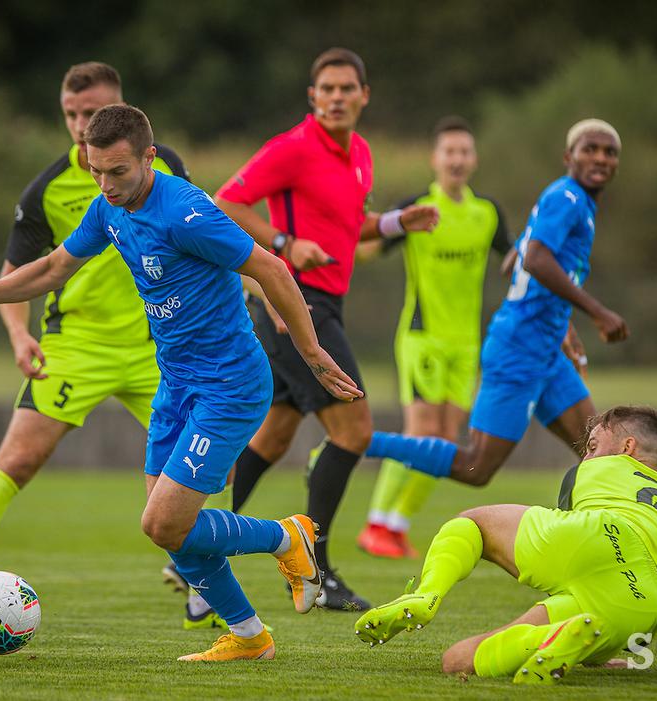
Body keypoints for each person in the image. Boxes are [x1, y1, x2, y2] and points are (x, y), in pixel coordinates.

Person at [0, 103, 363, 662]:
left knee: (164, 520)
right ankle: (252, 637)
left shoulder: (186, 212)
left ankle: (288, 537)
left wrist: (310, 351)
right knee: (168, 531)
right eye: (96, 172)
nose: (106, 185)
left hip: (230, 385)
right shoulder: (107, 211)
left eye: (118, 171)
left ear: (149, 157)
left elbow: (271, 268)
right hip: (177, 384)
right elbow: (52, 268)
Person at [0, 62, 210, 627]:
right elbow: (31, 270)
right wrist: (19, 334)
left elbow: (203, 241)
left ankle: (202, 590)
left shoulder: (161, 166)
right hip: (76, 345)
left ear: (123, 113)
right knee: (16, 459)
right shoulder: (48, 188)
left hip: (157, 348)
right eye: (70, 113)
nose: (79, 124)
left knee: (205, 462)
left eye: (91, 112)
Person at [215, 47, 439, 610]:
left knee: (274, 435)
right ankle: (315, 572)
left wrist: (394, 223)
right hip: (295, 302)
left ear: (365, 96)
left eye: (348, 89)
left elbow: (348, 226)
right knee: (353, 432)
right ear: (313, 98)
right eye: (327, 89)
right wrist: (286, 243)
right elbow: (225, 203)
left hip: (325, 302)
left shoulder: (360, 152)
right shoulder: (291, 148)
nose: (337, 97)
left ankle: (193, 537)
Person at [355, 406, 657, 683]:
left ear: (627, 447)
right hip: (641, 609)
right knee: (459, 662)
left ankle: (427, 593)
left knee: (471, 524)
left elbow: (572, 557)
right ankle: (559, 640)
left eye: (592, 445)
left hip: (601, 537)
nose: (587, 456)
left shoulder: (597, 472)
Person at [363, 119, 629, 488]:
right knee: (476, 468)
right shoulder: (566, 198)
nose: (600, 158)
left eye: (609, 152)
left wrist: (561, 322)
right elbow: (535, 259)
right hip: (518, 349)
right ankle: (361, 442)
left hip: (546, 349)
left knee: (600, 456)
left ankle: (602, 532)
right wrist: (598, 313)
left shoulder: (571, 201)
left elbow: (518, 256)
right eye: (590, 149)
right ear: (569, 156)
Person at [355, 117, 512, 559]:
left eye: (464, 151)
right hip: (422, 339)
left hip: (465, 343)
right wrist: (349, 221)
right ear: (435, 159)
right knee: (421, 428)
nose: (457, 159)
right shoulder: (418, 206)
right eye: (450, 151)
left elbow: (518, 259)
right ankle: (375, 523)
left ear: (473, 159)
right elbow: (367, 249)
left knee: (447, 441)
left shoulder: (488, 215)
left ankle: (397, 526)